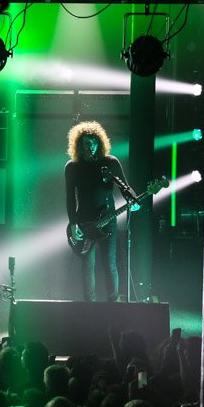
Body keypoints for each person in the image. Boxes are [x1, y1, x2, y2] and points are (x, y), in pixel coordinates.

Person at [64, 121, 138, 302]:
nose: (91, 147)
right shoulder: (72, 167)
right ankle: (89, 306)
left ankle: (112, 305)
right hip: (84, 223)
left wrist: (133, 199)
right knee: (87, 266)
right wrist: (73, 224)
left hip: (108, 220)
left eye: (94, 142)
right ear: (79, 145)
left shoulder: (110, 163)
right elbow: (70, 198)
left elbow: (124, 187)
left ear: (100, 142)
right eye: (87, 143)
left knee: (109, 263)